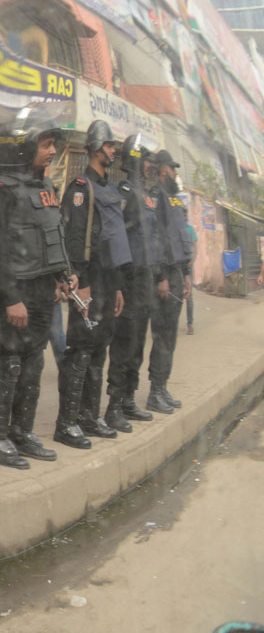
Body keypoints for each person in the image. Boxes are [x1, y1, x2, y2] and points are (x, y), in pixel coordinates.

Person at [0, 108, 73, 469]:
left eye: (52, 145)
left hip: (42, 294)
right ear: (21, 146)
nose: (51, 151)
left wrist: (64, 275)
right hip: (10, 297)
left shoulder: (44, 187)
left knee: (32, 366)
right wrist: (11, 298)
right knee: (7, 367)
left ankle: (22, 432)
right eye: (45, 144)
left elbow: (51, 237)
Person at [55, 120, 129, 448]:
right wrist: (79, 282)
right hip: (87, 281)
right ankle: (67, 422)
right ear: (97, 148)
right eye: (110, 145)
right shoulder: (81, 187)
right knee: (81, 351)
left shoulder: (108, 186)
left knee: (99, 350)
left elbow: (112, 239)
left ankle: (88, 416)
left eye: (114, 146)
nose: (114, 151)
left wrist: (117, 288)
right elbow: (73, 239)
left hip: (107, 280)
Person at [104, 134, 161, 432]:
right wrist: (116, 281)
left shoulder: (147, 193)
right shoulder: (124, 189)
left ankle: (128, 399)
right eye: (146, 158)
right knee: (124, 342)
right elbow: (117, 234)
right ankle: (113, 407)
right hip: (128, 277)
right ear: (136, 158)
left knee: (138, 342)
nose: (150, 164)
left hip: (145, 278)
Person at [145, 149, 191, 413]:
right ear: (163, 169)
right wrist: (161, 277)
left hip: (176, 272)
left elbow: (179, 238)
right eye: (172, 169)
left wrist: (185, 275)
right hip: (163, 275)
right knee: (162, 334)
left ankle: (162, 386)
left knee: (170, 335)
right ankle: (154, 392)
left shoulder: (173, 198)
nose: (175, 173)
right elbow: (157, 238)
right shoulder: (157, 196)